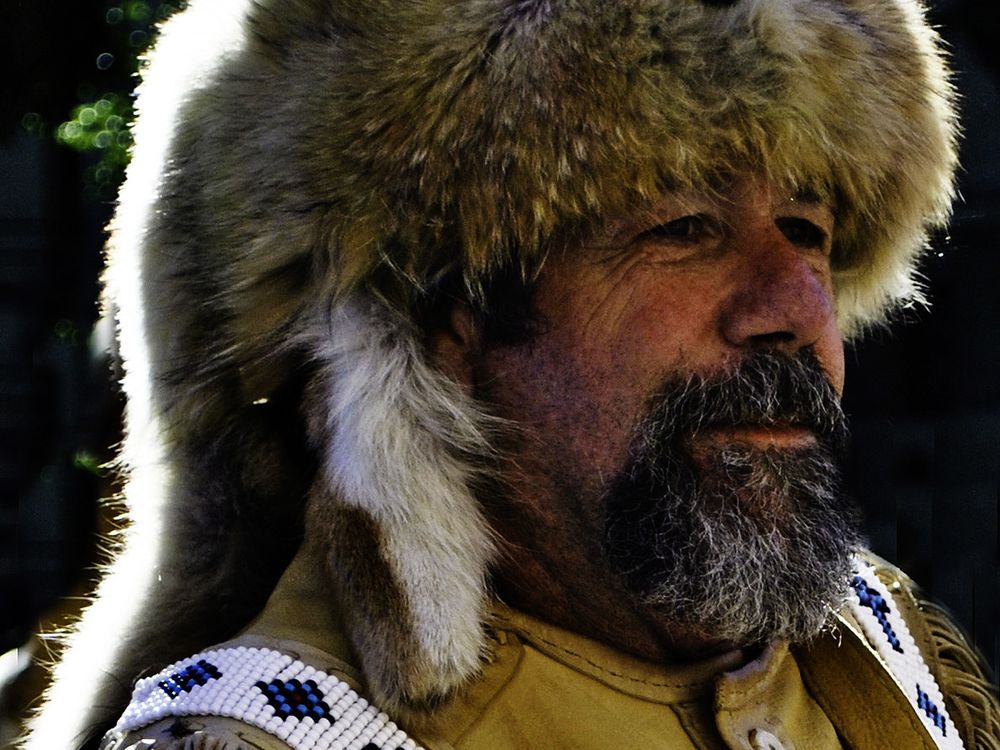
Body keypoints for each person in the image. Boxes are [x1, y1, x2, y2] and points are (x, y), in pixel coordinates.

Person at [20, 0, 1000, 748]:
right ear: (441, 319)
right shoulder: (276, 732)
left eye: (807, 229)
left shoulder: (884, 650)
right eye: (683, 228)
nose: (793, 309)